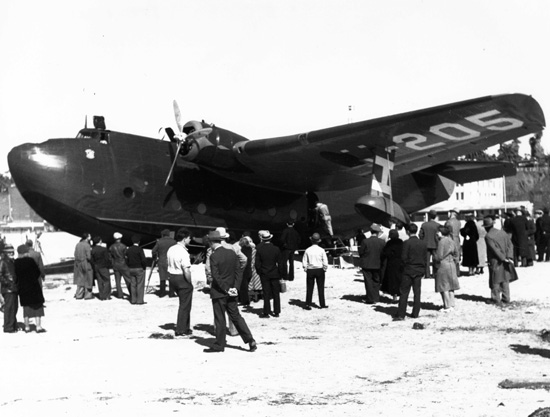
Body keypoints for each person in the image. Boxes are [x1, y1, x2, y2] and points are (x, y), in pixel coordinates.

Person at [205, 230, 257, 353]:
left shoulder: (214, 256)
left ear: (211, 242)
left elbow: (216, 276)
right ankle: (250, 339)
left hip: (219, 291)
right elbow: (239, 271)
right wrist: (235, 287)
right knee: (236, 316)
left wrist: (226, 289)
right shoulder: (231, 253)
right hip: (232, 291)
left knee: (220, 318)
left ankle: (220, 344)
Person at [394, 224, 427, 320]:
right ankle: (415, 313)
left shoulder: (406, 243)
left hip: (408, 270)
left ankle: (401, 314)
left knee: (404, 292)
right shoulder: (423, 243)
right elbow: (425, 258)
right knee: (417, 292)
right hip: (419, 269)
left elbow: (403, 257)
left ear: (408, 231)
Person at [167, 228, 194, 337]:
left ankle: (186, 327)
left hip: (172, 276)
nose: (190, 240)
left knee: (183, 303)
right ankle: (181, 329)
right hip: (181, 278)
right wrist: (190, 282)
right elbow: (186, 270)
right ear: (184, 239)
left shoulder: (171, 249)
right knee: (185, 305)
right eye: (189, 238)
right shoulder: (183, 252)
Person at [484, 216, 515, 304]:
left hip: (495, 260)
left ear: (486, 227)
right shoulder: (502, 232)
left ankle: (495, 298)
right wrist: (508, 257)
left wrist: (503, 258)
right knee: (505, 278)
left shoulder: (488, 236)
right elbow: (510, 245)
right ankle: (506, 298)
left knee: (495, 279)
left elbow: (495, 249)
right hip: (506, 259)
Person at [15, 244, 46, 333]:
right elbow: (37, 272)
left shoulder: (16, 262)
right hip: (33, 287)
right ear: (25, 252)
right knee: (37, 307)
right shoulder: (30, 261)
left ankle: (27, 327)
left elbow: (15, 276)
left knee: (26, 307)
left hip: (23, 288)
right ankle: (38, 327)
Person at [255, 230, 282, 318]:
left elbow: (257, 263)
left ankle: (266, 312)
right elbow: (280, 262)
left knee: (266, 293)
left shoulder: (260, 249)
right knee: (276, 293)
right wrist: (281, 273)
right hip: (274, 272)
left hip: (264, 273)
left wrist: (259, 272)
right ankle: (276, 311)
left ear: (262, 239)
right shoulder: (276, 249)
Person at [434, 226, 460, 312]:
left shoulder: (441, 242)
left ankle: (447, 306)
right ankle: (451, 304)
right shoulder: (451, 240)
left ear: (441, 233)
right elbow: (457, 253)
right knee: (451, 285)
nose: (437, 233)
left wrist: (434, 258)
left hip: (443, 264)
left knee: (444, 285)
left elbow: (439, 256)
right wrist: (454, 261)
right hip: (451, 264)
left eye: (438, 232)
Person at [358, 224, 386, 304]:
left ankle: (370, 298)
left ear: (371, 232)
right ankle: (376, 297)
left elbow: (361, 252)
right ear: (378, 233)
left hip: (367, 264)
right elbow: (383, 254)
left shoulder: (365, 241)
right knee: (376, 281)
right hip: (377, 264)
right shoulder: (382, 242)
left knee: (368, 281)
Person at [302, 232, 328, 310]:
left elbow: (304, 261)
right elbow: (325, 261)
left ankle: (308, 304)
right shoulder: (321, 250)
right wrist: (325, 268)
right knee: (321, 287)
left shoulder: (307, 250)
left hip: (310, 269)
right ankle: (322, 304)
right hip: (319, 269)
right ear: (319, 241)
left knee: (309, 287)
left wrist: (305, 268)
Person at [151, 229, 176, 297]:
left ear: (162, 234)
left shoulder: (159, 241)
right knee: (171, 277)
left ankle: (162, 292)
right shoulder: (173, 242)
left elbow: (153, 251)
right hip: (170, 261)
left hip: (161, 261)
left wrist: (155, 257)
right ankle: (171, 293)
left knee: (162, 277)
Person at [380, 229, 403, 301]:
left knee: (392, 280)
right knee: (399, 279)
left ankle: (394, 295)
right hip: (400, 262)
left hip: (391, 263)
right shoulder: (401, 242)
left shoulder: (389, 243)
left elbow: (386, 253)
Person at [0, 244, 18, 333]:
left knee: (15, 307)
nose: (11, 253)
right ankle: (8, 327)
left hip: (14, 288)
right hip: (8, 289)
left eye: (12, 252)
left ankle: (13, 325)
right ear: (5, 253)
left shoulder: (12, 261)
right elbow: (0, 275)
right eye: (9, 252)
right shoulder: (3, 262)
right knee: (9, 308)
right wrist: (8, 283)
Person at [109, 232, 132, 299]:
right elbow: (127, 256)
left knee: (117, 281)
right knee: (128, 280)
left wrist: (112, 263)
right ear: (120, 238)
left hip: (115, 265)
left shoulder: (111, 247)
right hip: (123, 264)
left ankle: (120, 294)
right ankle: (131, 293)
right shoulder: (123, 246)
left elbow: (110, 257)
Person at [126, 234, 147, 305]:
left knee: (133, 284)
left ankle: (133, 300)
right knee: (140, 284)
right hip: (139, 268)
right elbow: (143, 260)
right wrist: (144, 267)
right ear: (139, 241)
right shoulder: (140, 249)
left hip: (131, 268)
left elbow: (126, 259)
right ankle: (139, 300)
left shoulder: (129, 249)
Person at [419, 210, 440, 278]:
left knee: (426, 261)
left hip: (426, 244)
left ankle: (427, 274)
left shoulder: (424, 225)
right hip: (435, 245)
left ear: (429, 216)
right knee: (435, 260)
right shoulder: (438, 225)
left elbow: (420, 235)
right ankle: (435, 274)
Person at [90, 236, 112, 300]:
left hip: (96, 266)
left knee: (100, 281)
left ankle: (101, 296)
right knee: (107, 280)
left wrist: (94, 264)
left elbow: (91, 260)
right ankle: (106, 295)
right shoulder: (104, 249)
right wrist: (109, 266)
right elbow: (107, 259)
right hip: (103, 266)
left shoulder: (93, 250)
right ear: (100, 241)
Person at [73, 233, 93, 300]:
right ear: (87, 237)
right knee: (88, 278)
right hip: (86, 263)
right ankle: (88, 295)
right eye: (89, 236)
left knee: (80, 279)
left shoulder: (78, 244)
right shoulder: (87, 245)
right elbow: (89, 257)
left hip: (78, 263)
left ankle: (79, 295)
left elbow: (75, 254)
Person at [445, 208, 461, 275]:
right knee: (457, 255)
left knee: (450, 255)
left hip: (451, 238)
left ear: (452, 213)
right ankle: (457, 271)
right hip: (457, 239)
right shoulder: (458, 222)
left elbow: (446, 230)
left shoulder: (448, 222)